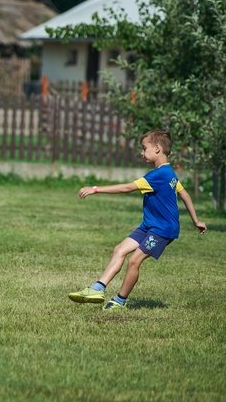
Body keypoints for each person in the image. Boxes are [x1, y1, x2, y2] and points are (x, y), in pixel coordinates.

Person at [69, 130, 207, 310]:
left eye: (144, 148)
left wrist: (95, 189)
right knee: (120, 249)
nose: (142, 153)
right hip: (149, 226)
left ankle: (120, 301)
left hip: (162, 230)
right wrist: (196, 220)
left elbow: (127, 187)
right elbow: (185, 194)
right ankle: (97, 288)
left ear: (157, 149)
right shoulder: (169, 172)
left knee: (134, 260)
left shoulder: (159, 175)